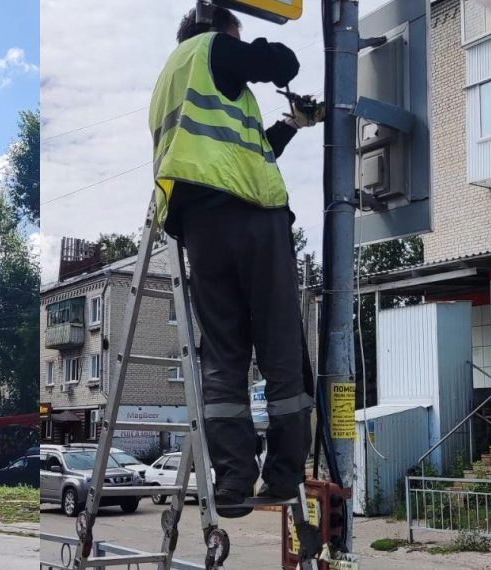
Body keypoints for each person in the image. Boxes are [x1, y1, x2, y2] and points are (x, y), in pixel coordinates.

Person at [148, 6, 324, 519]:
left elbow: (246, 151)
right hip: (252, 219)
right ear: (221, 30)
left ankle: (232, 481)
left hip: (201, 229)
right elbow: (283, 63)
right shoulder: (212, 49)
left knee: (223, 356)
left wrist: (291, 123)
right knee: (279, 343)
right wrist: (272, 63)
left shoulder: (168, 82)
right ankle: (285, 473)